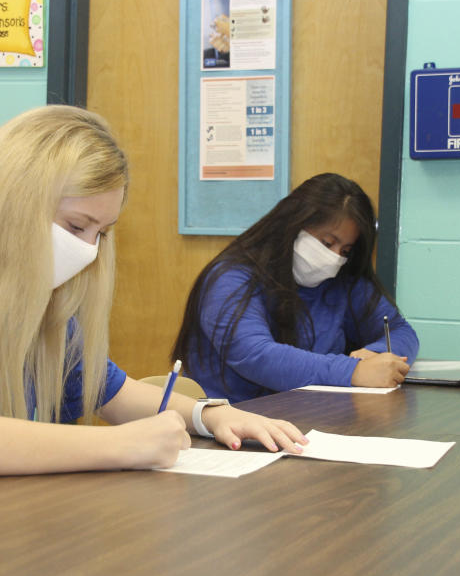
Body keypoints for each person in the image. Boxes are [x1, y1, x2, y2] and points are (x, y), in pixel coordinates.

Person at [0, 105, 305, 476]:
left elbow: (110, 392)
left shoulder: (32, 293)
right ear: (14, 203)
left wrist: (209, 414)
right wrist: (121, 447)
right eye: (76, 225)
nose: (88, 249)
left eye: (101, 234)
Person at [172, 172, 419, 403]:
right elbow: (257, 356)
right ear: (293, 224)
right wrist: (353, 371)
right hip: (230, 423)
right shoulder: (230, 278)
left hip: (309, 417)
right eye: (327, 242)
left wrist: (373, 355)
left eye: (345, 251)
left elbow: (400, 331)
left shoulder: (343, 281)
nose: (334, 258)